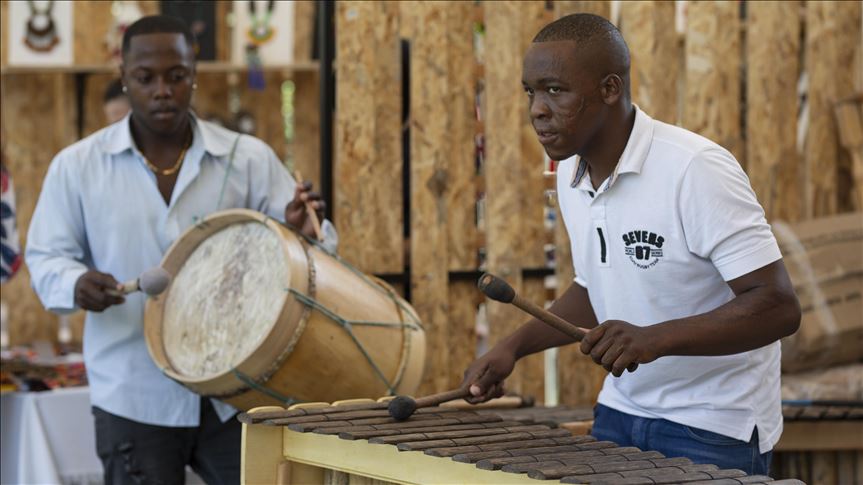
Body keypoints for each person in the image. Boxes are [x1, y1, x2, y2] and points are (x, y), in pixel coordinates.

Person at [463, 14, 800, 475]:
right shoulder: (569, 173)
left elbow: (778, 305)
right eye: (531, 92)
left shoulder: (694, 169)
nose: (538, 109)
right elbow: (595, 286)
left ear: (609, 89)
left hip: (712, 425)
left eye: (555, 90)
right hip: (621, 413)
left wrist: (652, 339)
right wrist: (512, 348)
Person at [26, 15, 337, 485]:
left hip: (238, 388)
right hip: (133, 394)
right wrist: (76, 283)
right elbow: (46, 257)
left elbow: (317, 251)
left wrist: (300, 231)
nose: (163, 90)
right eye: (145, 78)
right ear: (124, 80)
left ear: (194, 74)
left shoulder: (246, 158)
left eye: (176, 76)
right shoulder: (77, 168)